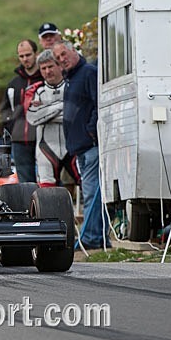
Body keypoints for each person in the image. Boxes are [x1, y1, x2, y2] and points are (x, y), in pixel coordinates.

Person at [53, 40, 107, 249]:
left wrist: (91, 130)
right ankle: (97, 236)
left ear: (74, 51)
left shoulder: (88, 72)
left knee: (92, 192)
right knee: (89, 192)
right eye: (58, 58)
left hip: (90, 144)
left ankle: (93, 238)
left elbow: (97, 103)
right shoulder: (70, 78)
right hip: (79, 147)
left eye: (64, 54)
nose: (62, 60)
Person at [25, 50, 79, 188]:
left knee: (88, 185)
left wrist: (46, 110)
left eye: (50, 67)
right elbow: (32, 118)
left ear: (59, 66)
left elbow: (77, 115)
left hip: (72, 146)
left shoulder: (71, 86)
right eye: (43, 68)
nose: (47, 71)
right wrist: (63, 105)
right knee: (46, 191)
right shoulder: (37, 91)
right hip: (46, 147)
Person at [2, 39, 44, 183]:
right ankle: (28, 205)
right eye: (21, 56)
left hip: (42, 138)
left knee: (47, 179)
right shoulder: (14, 83)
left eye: (28, 55)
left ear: (36, 54)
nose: (25, 59)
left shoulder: (45, 78)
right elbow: (5, 110)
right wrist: (13, 128)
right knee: (26, 183)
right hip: (20, 141)